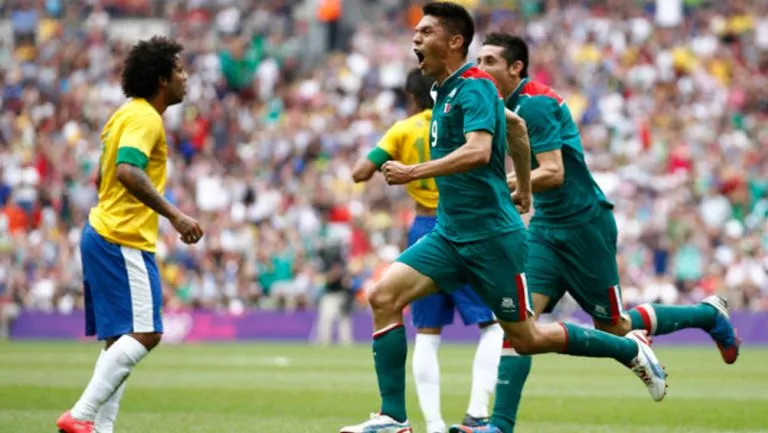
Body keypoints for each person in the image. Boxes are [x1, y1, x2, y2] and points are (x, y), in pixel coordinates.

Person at [339, 3, 666, 433]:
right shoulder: (447, 90)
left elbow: (478, 150)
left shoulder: (473, 88)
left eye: (425, 32)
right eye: (415, 31)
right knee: (383, 297)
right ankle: (393, 418)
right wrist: (526, 191)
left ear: (454, 42)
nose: (415, 38)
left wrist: (413, 172)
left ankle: (628, 350)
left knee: (526, 337)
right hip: (450, 234)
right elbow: (515, 128)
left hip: (492, 239)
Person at [446, 32, 745, 433]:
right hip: (546, 229)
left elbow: (554, 172)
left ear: (515, 67)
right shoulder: (502, 106)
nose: (480, 69)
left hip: (583, 225)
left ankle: (707, 314)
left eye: (489, 61)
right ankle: (499, 426)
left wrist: (510, 188)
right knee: (518, 324)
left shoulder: (533, 105)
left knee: (615, 327)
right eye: (477, 60)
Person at [56, 36, 203, 433]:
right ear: (161, 79)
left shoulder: (125, 113)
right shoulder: (145, 119)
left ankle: (99, 429)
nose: (186, 78)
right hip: (122, 238)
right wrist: (176, 216)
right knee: (147, 332)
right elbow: (127, 170)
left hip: (103, 231)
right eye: (180, 71)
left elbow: (105, 172)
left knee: (118, 341)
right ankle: (82, 415)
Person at [352, 67, 504, 433]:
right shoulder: (455, 118)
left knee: (427, 333)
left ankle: (432, 425)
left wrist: (388, 159)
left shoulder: (403, 129)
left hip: (423, 229)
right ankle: (477, 413)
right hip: (463, 226)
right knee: (492, 325)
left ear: (409, 96)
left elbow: (360, 172)